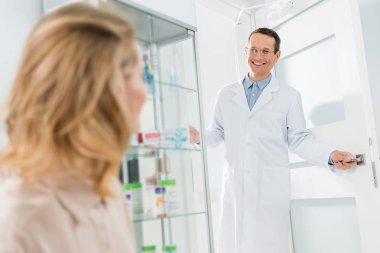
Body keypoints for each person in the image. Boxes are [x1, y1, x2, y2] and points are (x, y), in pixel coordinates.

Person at [190, 27, 355, 253]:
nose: (258, 57)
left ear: (277, 56)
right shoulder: (226, 94)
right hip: (236, 187)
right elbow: (217, 132)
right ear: (245, 51)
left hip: (269, 188)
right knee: (233, 244)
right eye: (254, 50)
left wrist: (329, 155)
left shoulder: (288, 96)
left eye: (266, 51)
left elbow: (297, 139)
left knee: (269, 246)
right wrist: (198, 137)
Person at [0, 3, 146, 253]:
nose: (143, 94)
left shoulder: (110, 193)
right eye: (134, 76)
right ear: (93, 90)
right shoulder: (18, 222)